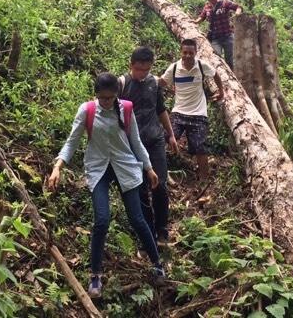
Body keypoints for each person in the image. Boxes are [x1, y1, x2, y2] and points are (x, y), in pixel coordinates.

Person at [47, 72, 165, 299]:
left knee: (137, 219)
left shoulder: (126, 109)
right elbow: (72, 141)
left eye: (110, 98)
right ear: (97, 95)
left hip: (125, 166)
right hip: (98, 167)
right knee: (101, 219)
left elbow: (136, 142)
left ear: (116, 95)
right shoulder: (87, 110)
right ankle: (95, 275)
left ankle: (157, 263)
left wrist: (149, 168)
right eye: (103, 98)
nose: (106, 102)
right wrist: (58, 167)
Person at [118, 46, 178, 246]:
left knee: (159, 185)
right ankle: (147, 232)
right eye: (138, 69)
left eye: (146, 69)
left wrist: (170, 135)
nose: (142, 74)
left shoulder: (154, 83)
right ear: (131, 65)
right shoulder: (122, 84)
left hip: (155, 140)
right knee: (141, 189)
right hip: (132, 145)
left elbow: (160, 110)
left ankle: (162, 230)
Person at [159, 39, 225, 181]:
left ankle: (203, 180)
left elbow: (215, 75)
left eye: (191, 53)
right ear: (181, 52)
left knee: (200, 146)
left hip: (198, 114)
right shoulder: (174, 68)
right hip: (179, 112)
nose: (188, 55)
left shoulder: (201, 65)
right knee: (164, 137)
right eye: (185, 52)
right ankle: (160, 171)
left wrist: (221, 92)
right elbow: (162, 82)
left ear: (195, 53)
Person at [194, 0, 242, 69]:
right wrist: (195, 22)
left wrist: (237, 14)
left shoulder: (224, 3)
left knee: (230, 59)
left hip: (227, 36)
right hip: (215, 38)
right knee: (216, 57)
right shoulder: (207, 6)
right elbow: (202, 17)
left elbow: (238, 7)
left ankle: (233, 77)